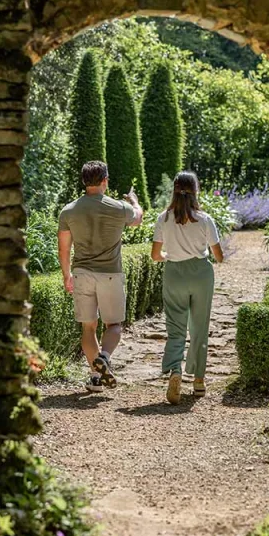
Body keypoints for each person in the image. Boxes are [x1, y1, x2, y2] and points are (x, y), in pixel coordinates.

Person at [58, 161, 143, 392]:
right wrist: (134, 201)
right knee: (114, 324)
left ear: (84, 181)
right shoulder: (118, 208)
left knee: (88, 328)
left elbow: (64, 249)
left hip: (82, 273)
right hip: (110, 274)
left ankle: (96, 378)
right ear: (105, 180)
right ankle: (104, 358)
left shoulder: (69, 210)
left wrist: (67, 275)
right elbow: (138, 219)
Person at [151, 171, 224, 405]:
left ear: (174, 189)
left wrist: (171, 256)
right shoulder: (204, 219)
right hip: (201, 274)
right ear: (196, 190)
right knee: (200, 327)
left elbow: (155, 255)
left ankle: (175, 371)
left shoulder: (164, 218)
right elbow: (219, 256)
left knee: (175, 327)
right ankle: (199, 380)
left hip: (174, 273)